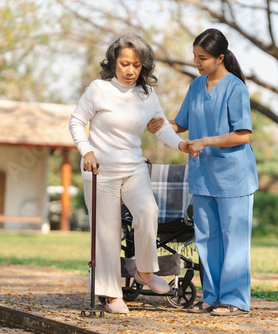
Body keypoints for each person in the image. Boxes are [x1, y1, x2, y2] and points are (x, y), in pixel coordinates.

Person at [69, 33, 193, 314]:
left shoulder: (147, 95)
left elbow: (160, 127)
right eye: (124, 63)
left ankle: (145, 272)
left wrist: (182, 144)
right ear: (114, 62)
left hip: (133, 168)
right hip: (100, 170)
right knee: (108, 234)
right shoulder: (98, 90)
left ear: (143, 67)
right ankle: (112, 296)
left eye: (136, 65)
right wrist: (86, 151)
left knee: (148, 211)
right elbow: (77, 122)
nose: (130, 70)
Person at [147, 28, 258, 316]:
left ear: (220, 57)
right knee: (207, 240)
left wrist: (207, 140)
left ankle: (234, 300)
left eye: (203, 58)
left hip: (234, 176)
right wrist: (161, 125)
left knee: (234, 240)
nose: (197, 62)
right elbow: (181, 122)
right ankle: (211, 297)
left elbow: (243, 135)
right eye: (195, 57)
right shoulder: (196, 86)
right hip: (203, 175)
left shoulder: (236, 88)